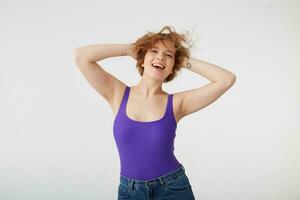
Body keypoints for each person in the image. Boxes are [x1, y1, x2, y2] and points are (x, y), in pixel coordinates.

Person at [74, 26, 236, 200]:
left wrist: (182, 61)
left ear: (172, 68)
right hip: (130, 191)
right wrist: (131, 49)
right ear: (142, 59)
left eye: (168, 55)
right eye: (154, 51)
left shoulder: (176, 103)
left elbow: (226, 79)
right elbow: (81, 56)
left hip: (172, 188)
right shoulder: (118, 94)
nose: (160, 57)